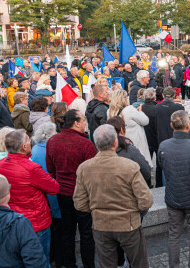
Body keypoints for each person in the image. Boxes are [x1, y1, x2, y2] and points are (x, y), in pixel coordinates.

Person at [74, 124, 153, 268]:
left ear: (95, 143)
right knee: (139, 263)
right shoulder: (129, 166)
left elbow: (80, 203)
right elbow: (146, 200)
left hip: (101, 224)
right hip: (128, 224)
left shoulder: (84, 168)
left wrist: (97, 210)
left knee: (107, 264)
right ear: (115, 142)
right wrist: (133, 211)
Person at [0, 129, 59, 265]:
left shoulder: (2, 164)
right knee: (41, 260)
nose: (30, 141)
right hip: (36, 222)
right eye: (27, 140)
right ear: (23, 147)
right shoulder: (31, 168)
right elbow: (54, 188)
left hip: (16, 218)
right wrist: (47, 176)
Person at [46, 109, 97, 268]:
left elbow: (51, 169)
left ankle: (70, 264)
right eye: (83, 121)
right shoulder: (86, 144)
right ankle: (89, 265)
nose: (84, 124)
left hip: (63, 193)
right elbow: (92, 173)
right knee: (86, 234)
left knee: (67, 232)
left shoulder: (53, 141)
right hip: (83, 195)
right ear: (76, 123)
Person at [157, 110, 190, 267]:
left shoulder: (164, 146)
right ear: (188, 125)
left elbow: (161, 165)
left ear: (171, 126)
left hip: (173, 197)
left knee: (174, 235)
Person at [29, 122, 63, 266]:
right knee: (58, 228)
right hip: (53, 191)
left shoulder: (34, 149)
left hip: (40, 196)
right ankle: (58, 256)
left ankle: (52, 255)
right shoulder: (54, 149)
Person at [108, 89, 152, 167]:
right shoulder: (129, 110)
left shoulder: (109, 111)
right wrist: (139, 112)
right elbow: (145, 121)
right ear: (123, 99)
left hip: (119, 144)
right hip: (134, 143)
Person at [107, 116, 152, 186]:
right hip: (130, 190)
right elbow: (146, 171)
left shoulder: (103, 151)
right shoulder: (130, 150)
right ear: (122, 129)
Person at [155, 87, 184, 187]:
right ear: (174, 96)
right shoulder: (178, 107)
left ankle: (159, 183)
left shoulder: (157, 107)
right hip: (175, 137)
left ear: (163, 95)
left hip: (160, 137)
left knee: (160, 162)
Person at [141, 88, 157, 159]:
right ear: (154, 97)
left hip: (145, 137)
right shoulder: (156, 108)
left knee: (147, 160)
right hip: (155, 136)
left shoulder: (141, 108)